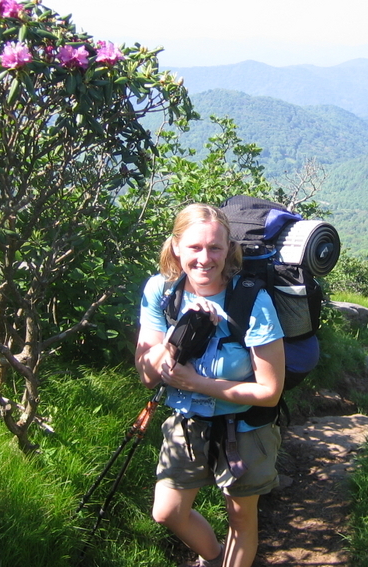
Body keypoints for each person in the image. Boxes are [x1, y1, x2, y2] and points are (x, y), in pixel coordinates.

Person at [135, 203, 285, 567]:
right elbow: (145, 373)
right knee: (167, 511)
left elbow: (269, 392)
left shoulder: (251, 299)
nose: (205, 258)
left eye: (215, 248)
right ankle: (217, 558)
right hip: (187, 424)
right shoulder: (161, 291)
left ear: (228, 249)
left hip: (246, 428)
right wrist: (167, 348)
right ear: (176, 248)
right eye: (195, 248)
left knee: (240, 518)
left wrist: (197, 382)